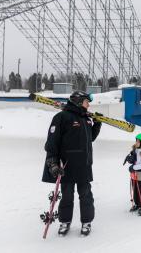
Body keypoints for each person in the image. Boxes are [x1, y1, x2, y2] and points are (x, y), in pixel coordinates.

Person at [42, 91, 102, 236]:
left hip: (84, 165)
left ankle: (86, 222)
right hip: (66, 165)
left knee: (86, 195)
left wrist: (97, 124)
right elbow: (52, 143)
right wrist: (53, 164)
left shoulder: (86, 119)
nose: (89, 105)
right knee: (67, 196)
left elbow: (90, 138)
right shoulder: (61, 117)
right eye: (87, 101)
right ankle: (65, 222)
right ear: (78, 101)